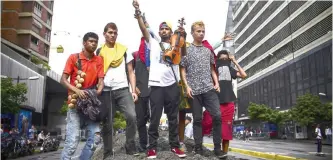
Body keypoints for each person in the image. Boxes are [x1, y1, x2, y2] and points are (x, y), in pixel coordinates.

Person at [133, 0, 186, 158]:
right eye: (161, 29)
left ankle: (175, 146)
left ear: (171, 32)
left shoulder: (177, 46)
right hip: (156, 85)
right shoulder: (153, 43)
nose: (163, 31)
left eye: (166, 29)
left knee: (173, 118)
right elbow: (143, 28)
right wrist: (138, 12)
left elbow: (184, 54)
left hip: (172, 85)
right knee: (155, 118)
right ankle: (152, 147)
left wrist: (181, 35)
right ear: (159, 31)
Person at [180, 21, 224, 158]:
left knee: (217, 116)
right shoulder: (187, 50)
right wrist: (186, 86)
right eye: (198, 31)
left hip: (209, 88)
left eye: (203, 31)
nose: (201, 33)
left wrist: (216, 83)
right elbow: (183, 69)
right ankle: (198, 148)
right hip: (194, 91)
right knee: (197, 119)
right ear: (192, 33)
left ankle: (218, 148)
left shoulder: (208, 51)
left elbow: (212, 69)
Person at [60, 32, 104, 160]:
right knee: (72, 142)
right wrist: (76, 90)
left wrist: (99, 90)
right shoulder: (74, 58)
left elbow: (100, 80)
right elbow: (63, 80)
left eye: (95, 42)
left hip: (91, 105)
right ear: (84, 43)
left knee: (95, 139)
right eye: (91, 41)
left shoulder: (99, 60)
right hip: (74, 104)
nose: (93, 44)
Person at [97, 22, 138, 157]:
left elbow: (131, 72)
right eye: (110, 32)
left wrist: (133, 90)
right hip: (106, 91)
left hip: (123, 89)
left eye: (115, 33)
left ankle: (130, 147)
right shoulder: (99, 51)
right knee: (107, 122)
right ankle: (107, 152)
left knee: (132, 116)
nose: (112, 35)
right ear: (104, 34)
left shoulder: (123, 50)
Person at [133, 50, 151, 153]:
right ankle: (143, 144)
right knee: (140, 121)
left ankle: (153, 144)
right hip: (139, 92)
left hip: (154, 91)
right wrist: (134, 87)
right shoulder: (135, 55)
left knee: (154, 120)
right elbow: (129, 71)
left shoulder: (156, 53)